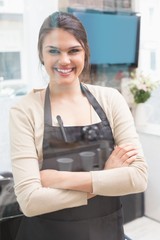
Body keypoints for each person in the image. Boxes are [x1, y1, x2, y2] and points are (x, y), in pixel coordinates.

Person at [9, 11, 148, 240]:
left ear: (85, 53)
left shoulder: (110, 99)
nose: (64, 60)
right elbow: (30, 202)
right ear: (41, 55)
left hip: (106, 232)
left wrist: (60, 179)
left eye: (74, 50)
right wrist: (105, 178)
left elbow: (138, 178)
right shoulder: (24, 111)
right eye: (53, 50)